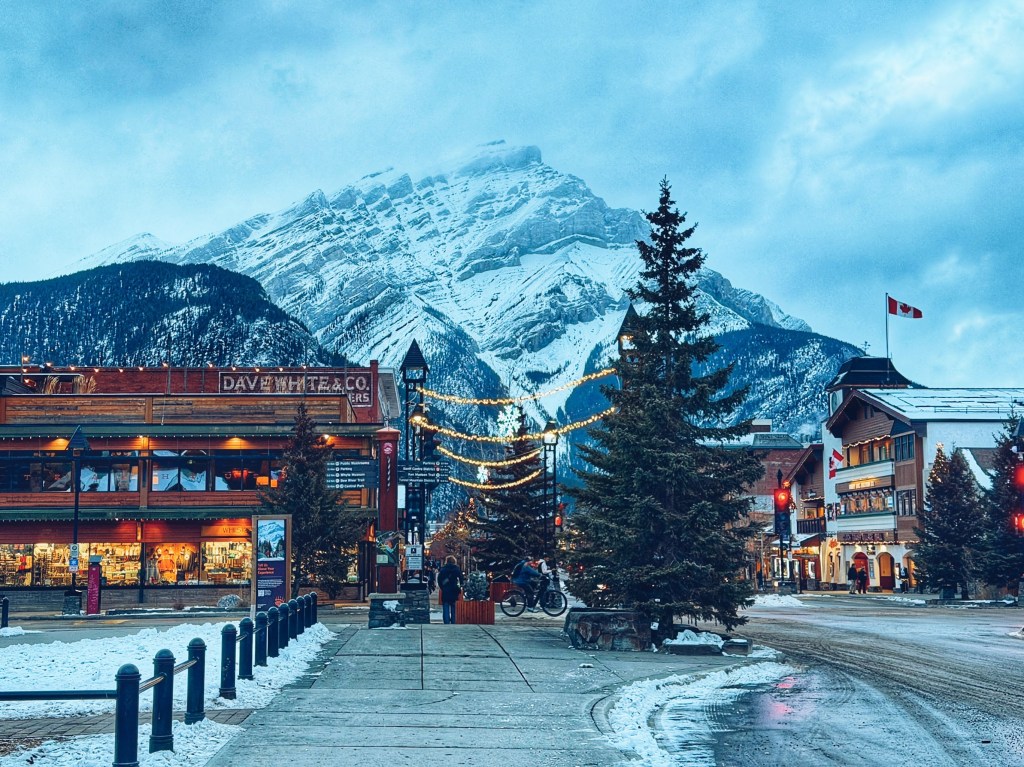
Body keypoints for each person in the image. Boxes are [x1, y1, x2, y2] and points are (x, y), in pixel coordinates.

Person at [437, 555, 463, 625]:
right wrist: (460, 587)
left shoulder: (443, 569)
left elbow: (439, 580)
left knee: (445, 606)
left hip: (446, 590)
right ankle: (453, 621)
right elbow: (461, 579)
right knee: (454, 607)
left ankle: (446, 622)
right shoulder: (456, 569)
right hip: (454, 590)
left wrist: (442, 587)